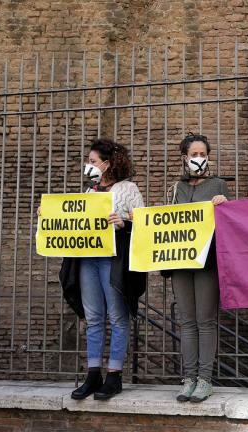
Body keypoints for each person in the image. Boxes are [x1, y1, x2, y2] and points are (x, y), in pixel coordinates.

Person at [66, 138, 145, 401]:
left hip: (114, 260)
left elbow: (144, 223)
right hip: (88, 259)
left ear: (107, 164)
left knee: (118, 317)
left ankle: (114, 375)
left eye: (92, 161)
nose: (88, 166)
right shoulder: (90, 192)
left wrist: (123, 223)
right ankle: (93, 374)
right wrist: (50, 215)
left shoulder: (128, 189)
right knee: (93, 318)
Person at [170, 133, 230, 403]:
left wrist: (224, 205)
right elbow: (167, 219)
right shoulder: (177, 188)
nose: (198, 159)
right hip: (181, 259)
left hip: (208, 261)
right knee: (186, 321)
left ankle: (205, 379)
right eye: (193, 154)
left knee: (205, 321)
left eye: (202, 154)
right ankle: (188, 379)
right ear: (185, 158)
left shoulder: (218, 185)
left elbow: (230, 222)